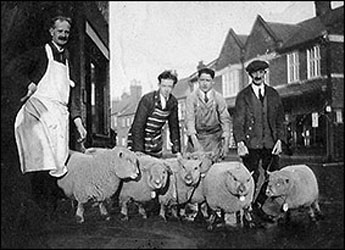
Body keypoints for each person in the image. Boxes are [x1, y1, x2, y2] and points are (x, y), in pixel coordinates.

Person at [9, 15, 87, 214]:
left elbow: (73, 96)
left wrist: (78, 123)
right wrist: (29, 83)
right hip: (38, 113)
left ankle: (48, 212)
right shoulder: (40, 54)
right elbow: (12, 69)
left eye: (66, 32)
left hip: (59, 115)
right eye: (60, 31)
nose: (63, 35)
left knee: (57, 161)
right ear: (51, 31)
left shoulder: (68, 58)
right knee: (40, 161)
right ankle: (36, 210)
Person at [233, 59, 285, 209]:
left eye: (261, 72)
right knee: (251, 176)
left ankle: (260, 206)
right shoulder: (243, 96)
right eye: (255, 73)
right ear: (250, 75)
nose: (258, 75)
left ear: (264, 74)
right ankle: (247, 207)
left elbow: (280, 120)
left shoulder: (274, 94)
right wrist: (240, 142)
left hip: (271, 143)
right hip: (251, 145)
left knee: (273, 176)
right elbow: (238, 122)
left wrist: (280, 140)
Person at [127, 70, 181, 158]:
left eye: (170, 86)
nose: (166, 89)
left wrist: (176, 150)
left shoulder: (173, 102)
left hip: (155, 140)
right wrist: (138, 150)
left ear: (173, 87)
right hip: (139, 138)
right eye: (164, 86)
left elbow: (174, 127)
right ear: (159, 85)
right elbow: (138, 125)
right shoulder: (147, 100)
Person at [185, 67, 231, 162]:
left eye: (208, 80)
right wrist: (195, 143)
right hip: (196, 138)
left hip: (214, 139)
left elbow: (225, 120)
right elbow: (189, 119)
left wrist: (226, 143)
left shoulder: (219, 98)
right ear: (198, 81)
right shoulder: (191, 98)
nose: (205, 83)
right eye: (202, 80)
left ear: (212, 82)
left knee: (214, 170)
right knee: (195, 169)